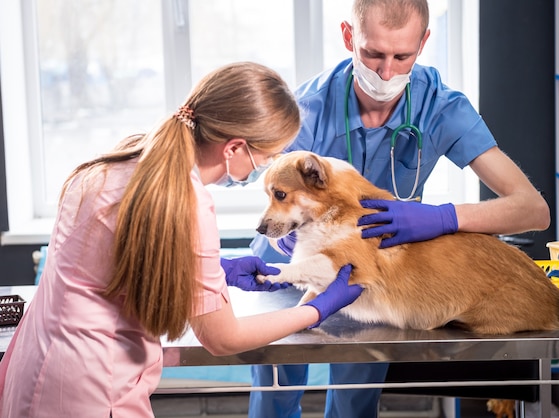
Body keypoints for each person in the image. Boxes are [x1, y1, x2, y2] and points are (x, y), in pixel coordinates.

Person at [0, 62, 364, 418]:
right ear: (234, 148)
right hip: (89, 389)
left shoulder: (121, 158)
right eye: (267, 156)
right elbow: (223, 338)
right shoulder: (187, 201)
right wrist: (316, 309)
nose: (262, 168)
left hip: (33, 368)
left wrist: (211, 270)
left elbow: (108, 257)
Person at [248, 1, 551, 417]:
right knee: (276, 390)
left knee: (357, 397)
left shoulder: (441, 107)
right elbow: (265, 183)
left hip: (373, 276)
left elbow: (532, 210)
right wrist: (294, 242)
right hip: (289, 266)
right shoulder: (306, 109)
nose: (387, 72)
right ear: (349, 37)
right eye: (373, 54)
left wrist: (443, 218)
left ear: (424, 42)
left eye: (402, 56)